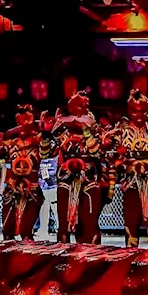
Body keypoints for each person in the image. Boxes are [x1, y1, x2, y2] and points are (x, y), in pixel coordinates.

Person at [103, 90, 148, 248]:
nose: (138, 115)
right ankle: (130, 261)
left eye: (142, 111)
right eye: (134, 111)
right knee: (130, 223)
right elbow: (110, 155)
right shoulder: (121, 130)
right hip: (131, 182)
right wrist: (118, 156)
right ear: (129, 111)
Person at [44, 90, 104, 244]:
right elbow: (45, 153)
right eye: (77, 104)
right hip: (66, 176)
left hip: (89, 175)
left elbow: (96, 151)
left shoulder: (93, 125)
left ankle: (90, 253)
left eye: (84, 104)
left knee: (89, 222)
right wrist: (45, 133)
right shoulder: (60, 127)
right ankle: (63, 252)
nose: (81, 107)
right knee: (63, 223)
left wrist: (85, 130)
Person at [0, 106, 43, 240]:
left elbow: (48, 151)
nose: (24, 123)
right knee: (7, 231)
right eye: (21, 120)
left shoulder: (39, 141)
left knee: (26, 232)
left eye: (27, 119)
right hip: (13, 187)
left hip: (32, 188)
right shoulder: (10, 142)